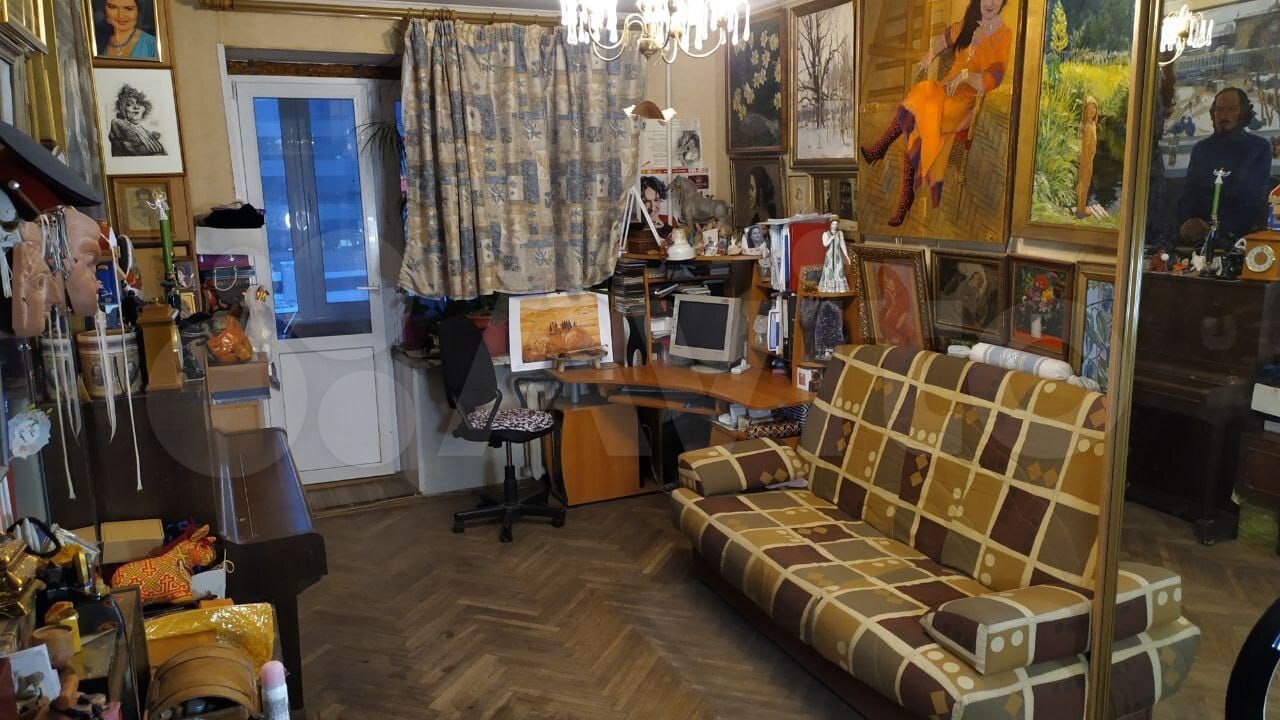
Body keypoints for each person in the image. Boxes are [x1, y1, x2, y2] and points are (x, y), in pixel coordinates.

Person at [860, 0, 1012, 227]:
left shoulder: (1003, 35)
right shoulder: (970, 24)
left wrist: (965, 76)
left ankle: (886, 159)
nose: (990, 3)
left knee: (919, 116)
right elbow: (946, 37)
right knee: (924, 92)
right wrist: (930, 54)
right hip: (943, 90)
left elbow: (991, 81)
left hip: (963, 104)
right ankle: (901, 188)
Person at [1178, 87, 1272, 249]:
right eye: (1219, 110)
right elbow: (1189, 194)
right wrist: (1188, 221)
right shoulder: (1202, 149)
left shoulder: (1258, 148)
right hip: (1199, 238)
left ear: (1243, 112)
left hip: (1241, 238)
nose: (1224, 115)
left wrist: (1215, 229)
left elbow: (1254, 201)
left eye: (1231, 109)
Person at [109, 85, 165, 157]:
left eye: (138, 103)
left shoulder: (143, 130)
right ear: (122, 109)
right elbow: (137, 153)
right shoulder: (118, 123)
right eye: (129, 104)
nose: (136, 107)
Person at [1076, 96, 1099, 219]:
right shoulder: (1086, 126)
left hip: (1090, 158)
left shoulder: (1092, 124)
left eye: (1094, 108)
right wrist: (1086, 160)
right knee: (1084, 182)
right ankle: (1081, 209)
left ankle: (1082, 206)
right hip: (1086, 159)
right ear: (1085, 110)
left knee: (1086, 182)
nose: (1092, 111)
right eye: (1089, 108)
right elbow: (1084, 145)